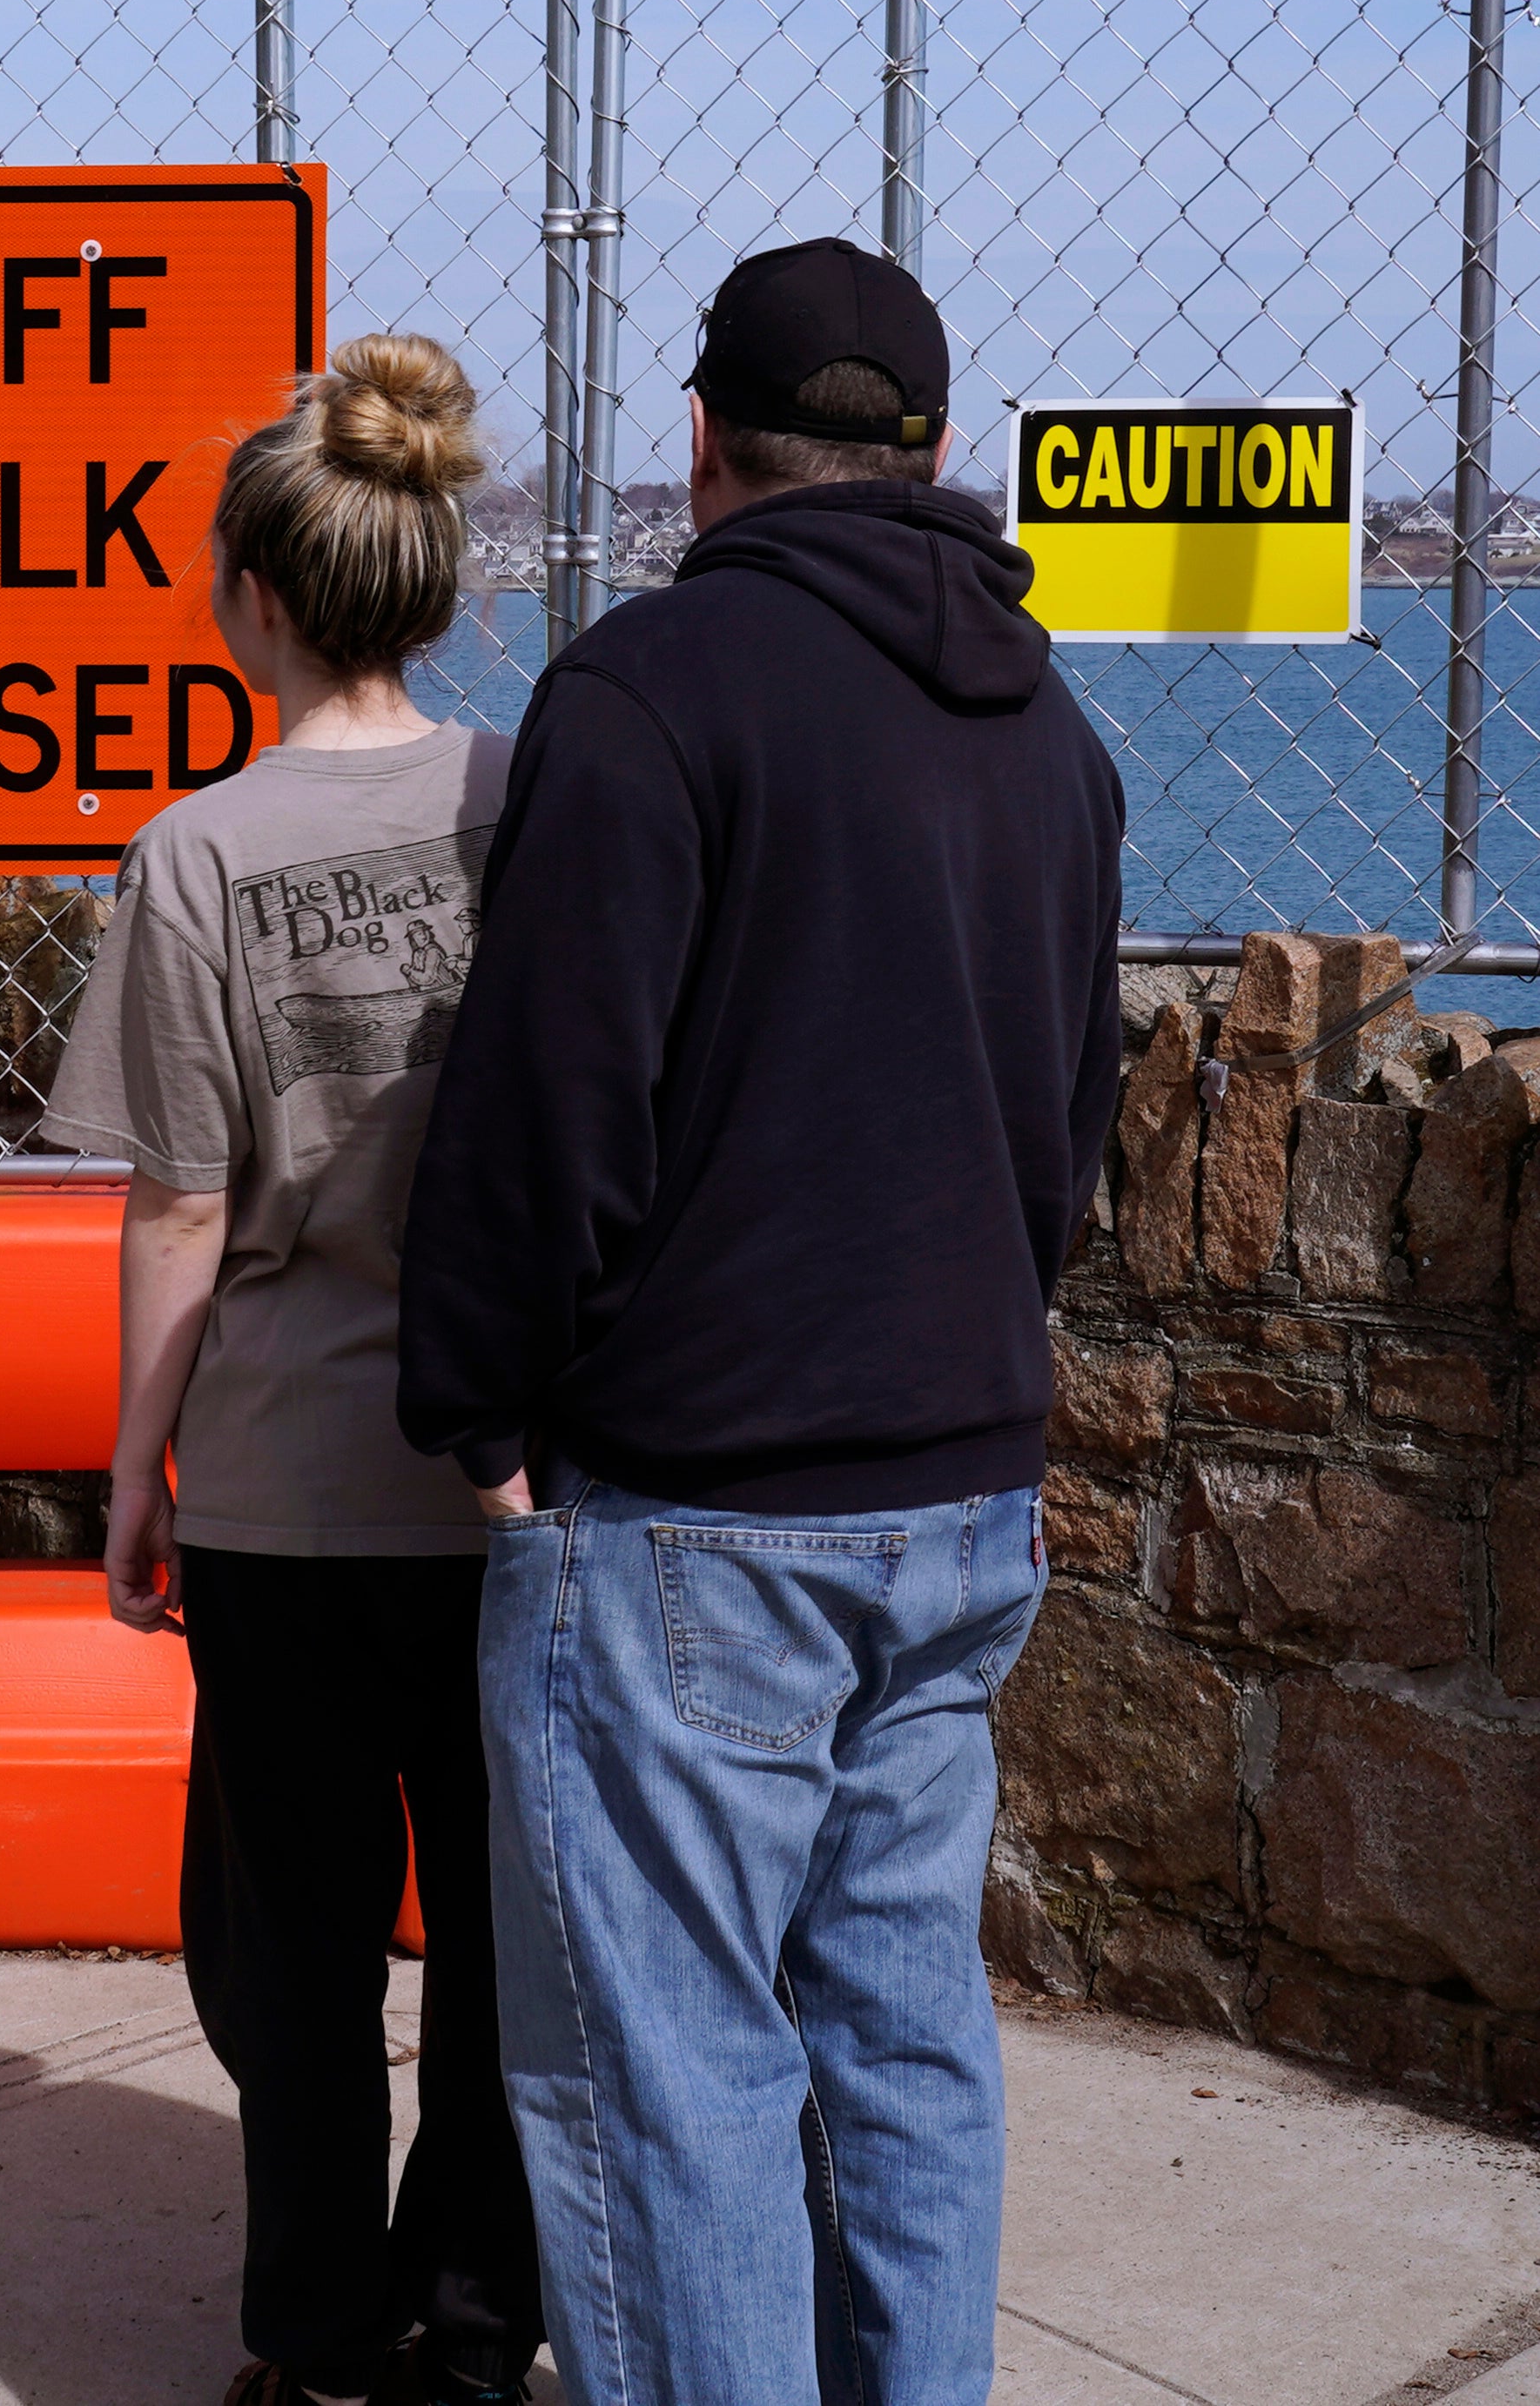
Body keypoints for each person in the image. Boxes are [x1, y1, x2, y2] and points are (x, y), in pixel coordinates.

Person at [396, 241, 1122, 2406]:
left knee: (663, 2073)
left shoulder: (649, 698)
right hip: (959, 1479)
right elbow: (1064, 1120)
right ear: (936, 449)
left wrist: (485, 1403)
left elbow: (547, 1109)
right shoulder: (1051, 726)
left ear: (700, 441)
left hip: (692, 1500)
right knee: (901, 2039)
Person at [40, 334, 542, 2406]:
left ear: (249, 594)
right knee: (513, 1945)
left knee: (297, 1949)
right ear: (428, 581)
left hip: (284, 1476)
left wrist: (137, 1466)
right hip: (512, 1472)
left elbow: (176, 1205)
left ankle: (320, 2339)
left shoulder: (196, 852)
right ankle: (481, 2319)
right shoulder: (534, 800)